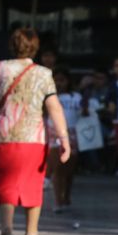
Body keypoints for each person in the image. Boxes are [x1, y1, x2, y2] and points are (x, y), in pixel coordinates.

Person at [0, 27, 69, 235]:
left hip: (2, 134)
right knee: (32, 184)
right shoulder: (43, 73)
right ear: (35, 48)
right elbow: (53, 107)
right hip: (33, 136)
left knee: (5, 183)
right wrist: (64, 138)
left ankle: (6, 230)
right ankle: (31, 234)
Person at [48, 68, 79, 213]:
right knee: (57, 169)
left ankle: (66, 195)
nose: (59, 83)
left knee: (69, 170)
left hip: (73, 135)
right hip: (54, 135)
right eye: (56, 80)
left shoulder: (76, 97)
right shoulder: (48, 97)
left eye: (62, 80)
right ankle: (57, 200)